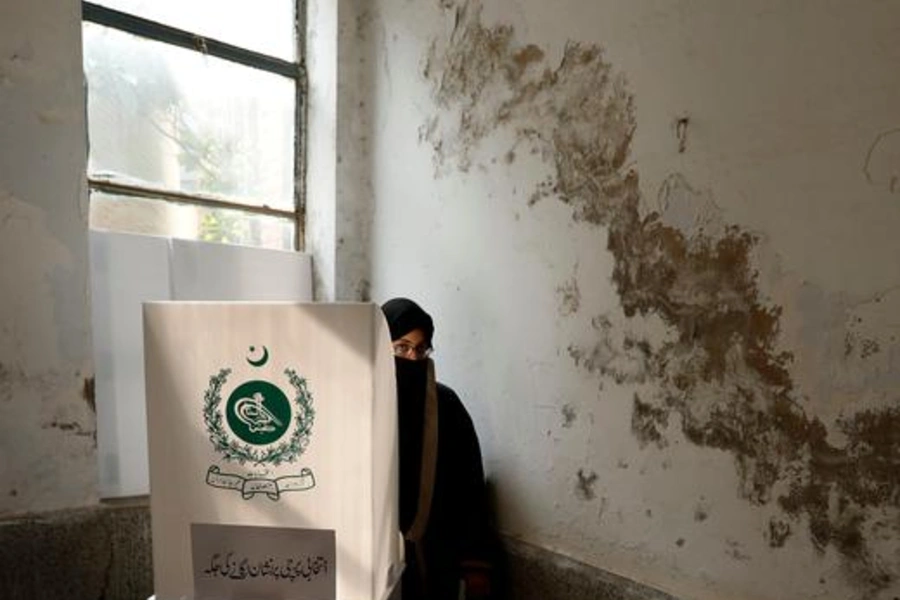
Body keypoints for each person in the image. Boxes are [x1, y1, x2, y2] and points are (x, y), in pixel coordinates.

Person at [382, 298, 496, 600]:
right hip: (371, 555)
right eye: (401, 347)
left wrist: (475, 565)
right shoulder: (359, 403)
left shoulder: (444, 405)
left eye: (421, 349)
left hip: (433, 556)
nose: (412, 358)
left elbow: (470, 485)